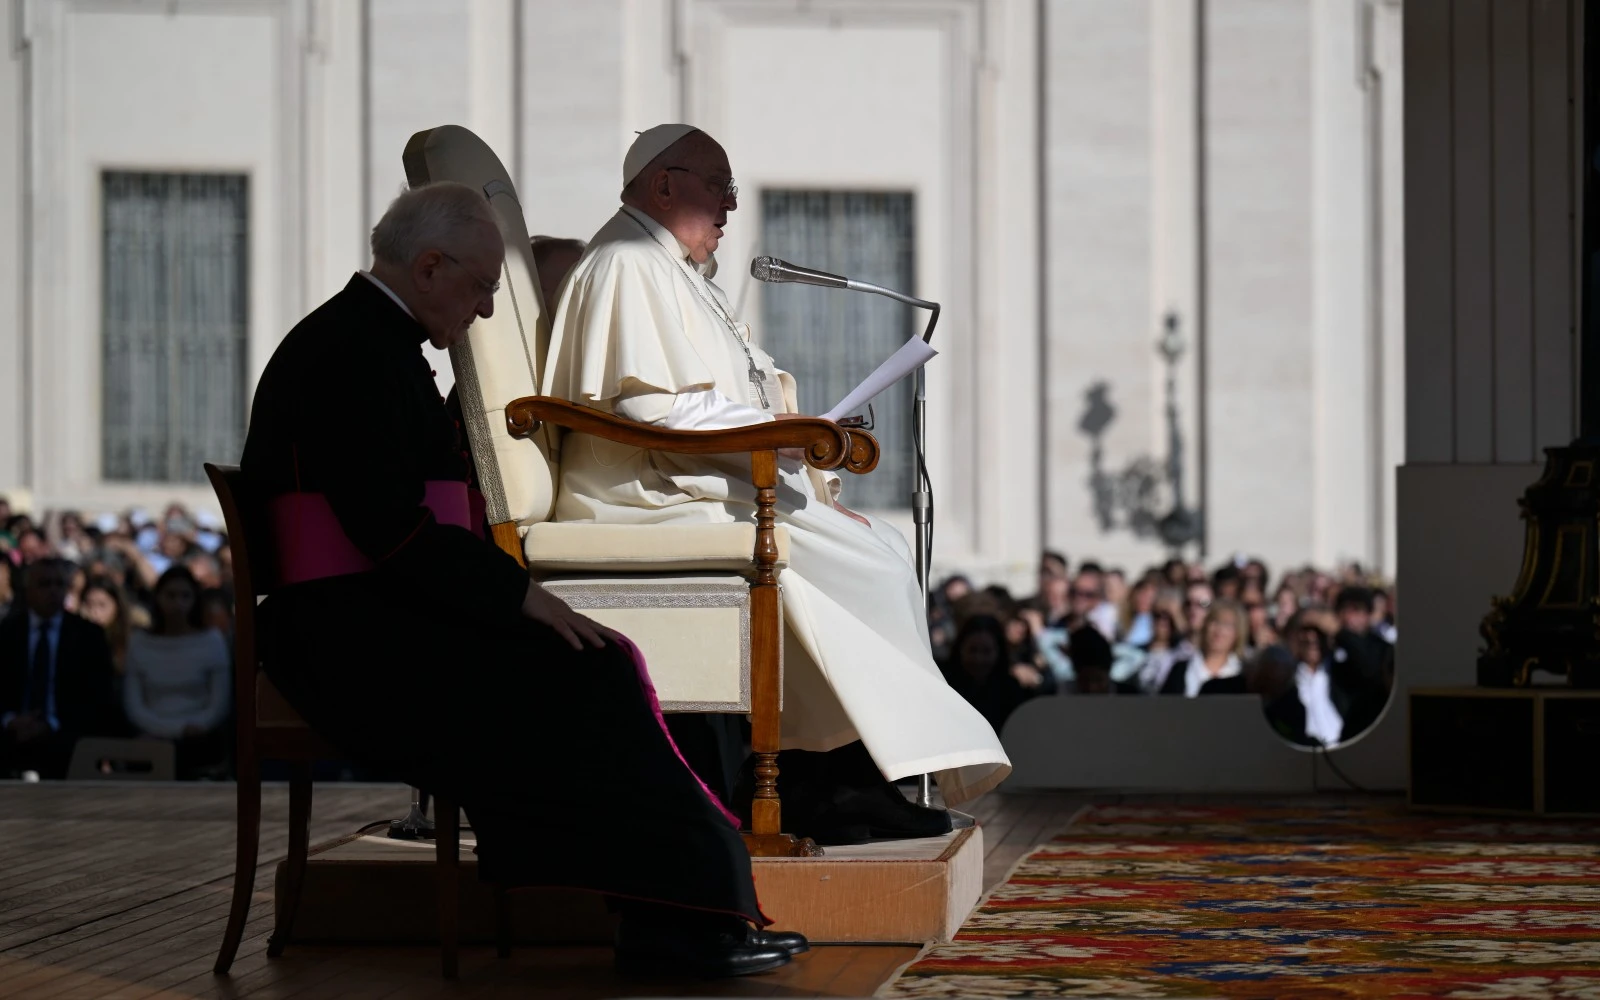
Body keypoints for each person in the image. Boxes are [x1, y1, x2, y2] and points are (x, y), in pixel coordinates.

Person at [240, 180, 798, 977]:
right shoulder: (351, 352)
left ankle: (678, 916)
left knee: (591, 663)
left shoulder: (373, 340)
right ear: (429, 266)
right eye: (481, 287)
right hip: (346, 633)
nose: (486, 311)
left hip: (377, 607)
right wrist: (521, 597)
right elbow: (391, 527)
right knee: (585, 671)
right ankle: (676, 924)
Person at [541, 124, 1010, 836]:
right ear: (663, 184)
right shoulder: (629, 261)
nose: (730, 207)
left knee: (878, 551)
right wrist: (780, 437)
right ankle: (836, 780)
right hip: (645, 494)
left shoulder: (670, 269)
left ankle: (848, 774)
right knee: (873, 568)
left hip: (699, 479)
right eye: (717, 187)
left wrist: (791, 439)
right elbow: (648, 408)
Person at [0, 558, 117, 778]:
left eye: (59, 584)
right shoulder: (7, 633)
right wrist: (9, 720)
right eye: (45, 584)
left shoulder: (88, 635)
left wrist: (51, 723)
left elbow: (98, 697)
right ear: (28, 589)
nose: (53, 591)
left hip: (67, 734)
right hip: (11, 732)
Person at [122, 566, 233, 778]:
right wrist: (166, 731)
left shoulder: (212, 641)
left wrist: (197, 726)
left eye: (185, 596)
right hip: (150, 735)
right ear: (158, 598)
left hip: (201, 736)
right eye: (170, 595)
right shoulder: (139, 642)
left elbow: (220, 703)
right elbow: (134, 705)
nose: (178, 603)